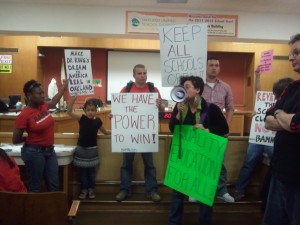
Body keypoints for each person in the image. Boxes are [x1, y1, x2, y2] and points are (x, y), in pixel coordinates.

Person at [168, 75, 229, 225]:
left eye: (187, 87)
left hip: (203, 159)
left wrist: (207, 129)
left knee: (203, 192)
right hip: (184, 159)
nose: (184, 89)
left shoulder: (211, 109)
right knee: (177, 193)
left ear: (198, 90)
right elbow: (172, 129)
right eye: (183, 87)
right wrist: (177, 115)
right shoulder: (180, 107)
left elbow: (224, 129)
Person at [234, 68, 294, 201]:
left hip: (272, 140)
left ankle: (270, 194)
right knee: (249, 163)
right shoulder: (271, 99)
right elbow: (258, 92)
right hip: (257, 137)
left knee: (275, 165)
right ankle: (239, 190)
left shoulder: (290, 104)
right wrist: (257, 76)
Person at [263, 33, 300, 225]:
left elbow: (297, 124)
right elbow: (267, 118)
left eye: (296, 52)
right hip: (279, 173)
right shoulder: (292, 87)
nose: (290, 57)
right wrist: (283, 115)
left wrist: (279, 113)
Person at [115, 64, 165, 202]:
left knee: (149, 164)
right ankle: (125, 190)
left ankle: (152, 191)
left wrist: (160, 105)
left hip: (147, 135)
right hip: (129, 134)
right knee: (126, 164)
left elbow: (161, 111)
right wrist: (115, 117)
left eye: (145, 73)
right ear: (134, 75)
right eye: (139, 73)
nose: (143, 75)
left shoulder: (153, 89)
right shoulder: (126, 89)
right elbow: (119, 110)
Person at [12, 79, 68, 192]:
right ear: (29, 95)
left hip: (49, 151)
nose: (43, 96)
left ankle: (53, 209)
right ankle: (34, 210)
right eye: (39, 93)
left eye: (43, 93)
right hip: (34, 153)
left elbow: (53, 101)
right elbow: (15, 139)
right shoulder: (24, 115)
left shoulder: (43, 106)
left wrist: (63, 87)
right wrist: (30, 138)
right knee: (35, 187)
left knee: (54, 186)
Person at [201, 57, 235, 203]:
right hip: (201, 129)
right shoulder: (198, 86)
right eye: (211, 65)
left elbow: (230, 108)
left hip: (218, 130)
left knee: (219, 162)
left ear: (219, 68)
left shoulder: (226, 87)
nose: (214, 68)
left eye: (216, 65)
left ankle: (221, 191)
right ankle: (199, 190)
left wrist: (226, 126)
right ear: (206, 67)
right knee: (201, 161)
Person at [67, 96, 111, 199]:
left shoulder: (98, 121)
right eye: (88, 110)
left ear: (96, 110)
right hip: (81, 150)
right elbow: (69, 112)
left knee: (91, 173)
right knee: (82, 173)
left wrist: (117, 132)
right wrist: (73, 98)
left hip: (92, 151)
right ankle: (83, 190)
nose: (90, 112)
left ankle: (91, 190)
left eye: (93, 110)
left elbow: (105, 132)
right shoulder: (82, 119)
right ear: (84, 111)